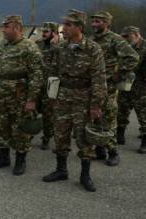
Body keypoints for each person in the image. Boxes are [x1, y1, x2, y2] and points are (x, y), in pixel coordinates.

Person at [42, 10, 106, 192]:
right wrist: (52, 97)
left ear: (79, 27)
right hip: (62, 97)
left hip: (83, 98)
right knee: (60, 134)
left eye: (68, 25)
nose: (64, 28)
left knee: (83, 137)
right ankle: (61, 170)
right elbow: (53, 72)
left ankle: (85, 175)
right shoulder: (61, 47)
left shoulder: (92, 48)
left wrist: (96, 105)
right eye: (64, 24)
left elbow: (99, 78)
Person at [0, 15, 43, 175]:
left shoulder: (29, 47)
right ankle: (3, 157)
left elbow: (36, 76)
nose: (3, 30)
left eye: (7, 27)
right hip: (0, 95)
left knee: (20, 130)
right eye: (3, 26)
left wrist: (31, 100)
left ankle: (20, 160)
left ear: (17, 28)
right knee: (1, 127)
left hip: (18, 98)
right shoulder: (3, 44)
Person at [90, 12, 139, 165]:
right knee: (95, 118)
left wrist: (118, 74)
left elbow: (133, 57)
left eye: (98, 21)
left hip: (109, 87)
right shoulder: (91, 39)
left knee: (109, 118)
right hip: (93, 86)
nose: (94, 24)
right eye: (93, 21)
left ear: (106, 23)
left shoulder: (115, 39)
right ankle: (99, 150)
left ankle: (113, 152)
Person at [35, 22, 59, 149]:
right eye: (42, 31)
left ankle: (47, 137)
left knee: (48, 113)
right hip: (36, 82)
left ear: (54, 33)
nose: (43, 34)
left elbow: (60, 61)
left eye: (46, 32)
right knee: (32, 109)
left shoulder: (60, 46)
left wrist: (54, 46)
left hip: (51, 83)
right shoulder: (38, 43)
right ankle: (29, 132)